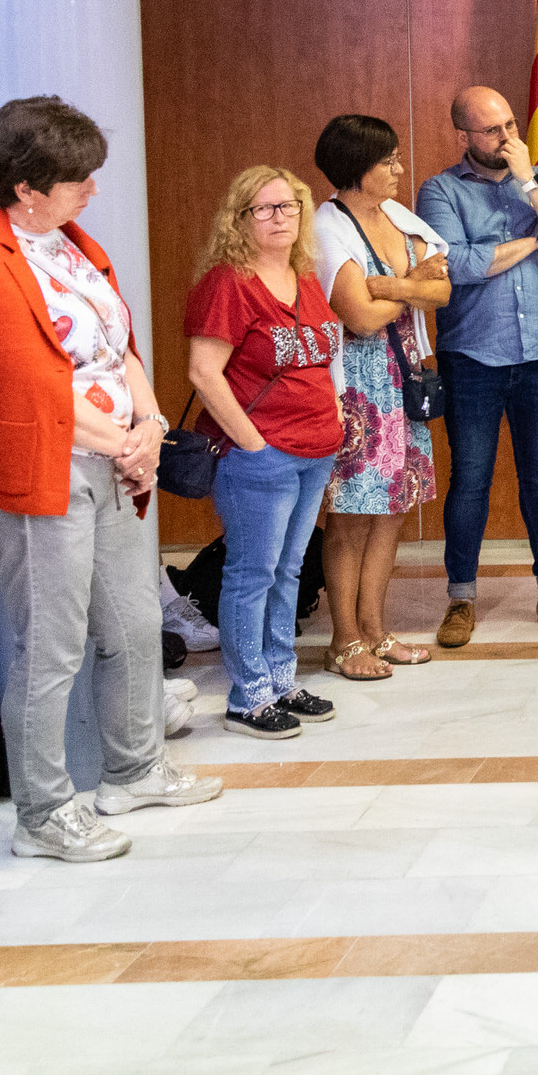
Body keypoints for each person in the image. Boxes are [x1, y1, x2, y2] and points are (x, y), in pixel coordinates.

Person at [0, 96, 219, 863]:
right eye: (77, 178)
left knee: (134, 625)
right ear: (25, 187)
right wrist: (128, 444)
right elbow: (30, 392)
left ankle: (135, 770)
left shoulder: (71, 245)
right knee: (49, 650)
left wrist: (151, 426)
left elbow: (121, 349)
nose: (92, 189)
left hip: (108, 458)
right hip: (35, 475)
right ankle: (44, 813)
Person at [416, 85, 538, 645]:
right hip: (472, 358)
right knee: (470, 479)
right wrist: (534, 242)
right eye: (492, 130)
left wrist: (529, 183)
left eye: (511, 125)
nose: (507, 137)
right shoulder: (440, 190)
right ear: (463, 135)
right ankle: (461, 599)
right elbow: (458, 265)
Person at [187, 165, 346, 740]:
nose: (279, 218)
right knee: (252, 574)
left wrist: (334, 414)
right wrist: (253, 445)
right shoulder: (227, 284)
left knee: (288, 570)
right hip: (260, 454)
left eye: (289, 206)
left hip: (315, 450)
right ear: (240, 219)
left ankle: (281, 679)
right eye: (264, 208)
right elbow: (204, 372)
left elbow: (320, 355)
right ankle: (247, 695)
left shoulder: (304, 277)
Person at [312, 114, 452, 683]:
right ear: (356, 167)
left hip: (405, 377)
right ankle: (343, 639)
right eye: (387, 160)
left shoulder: (397, 216)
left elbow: (442, 290)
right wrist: (414, 287)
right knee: (351, 517)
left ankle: (375, 629)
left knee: (392, 510)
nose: (398, 168)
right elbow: (361, 318)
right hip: (358, 389)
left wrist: (393, 286)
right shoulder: (328, 227)